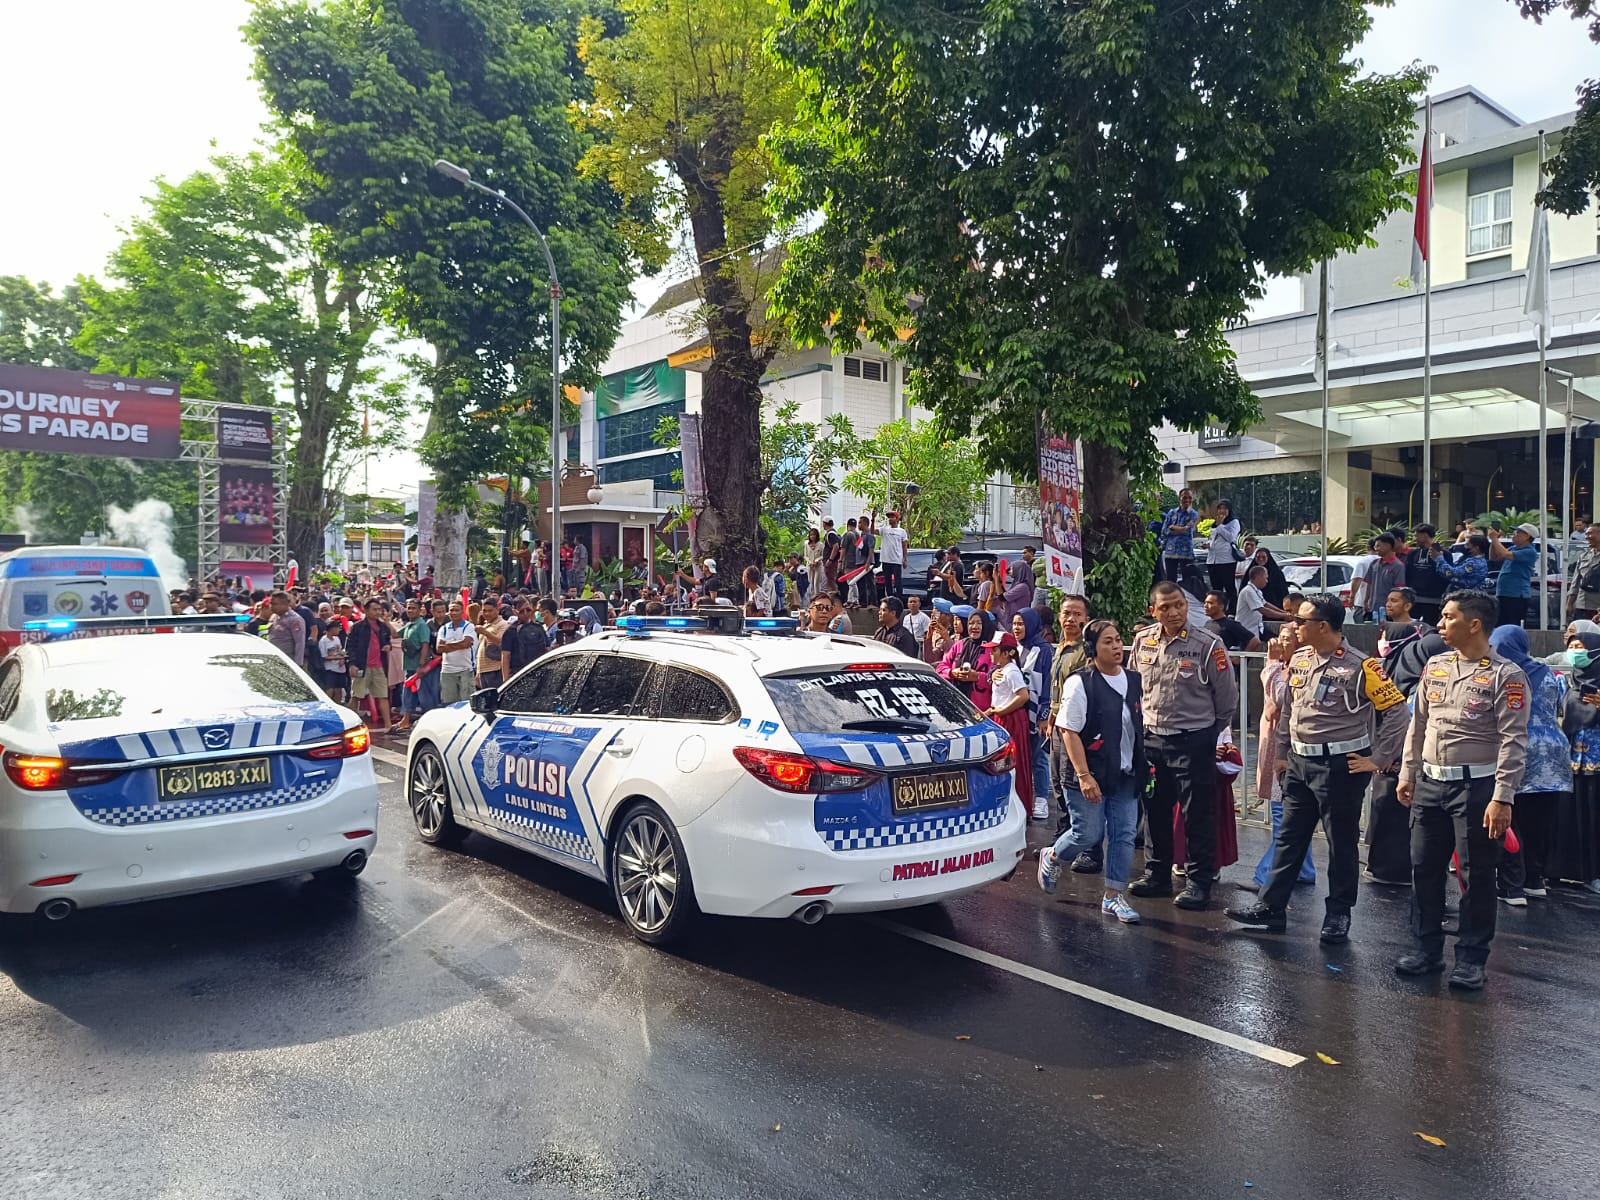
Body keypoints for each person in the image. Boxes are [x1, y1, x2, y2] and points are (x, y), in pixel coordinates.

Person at [1226, 592, 1408, 943]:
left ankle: (1338, 913)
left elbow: (1398, 713)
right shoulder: (1301, 659)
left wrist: (1379, 759)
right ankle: (1271, 907)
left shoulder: (1362, 666)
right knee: (1289, 837)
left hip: (1340, 766)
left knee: (1341, 843)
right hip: (1299, 762)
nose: (1293, 625)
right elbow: (1290, 709)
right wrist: (1281, 753)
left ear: (1322, 626)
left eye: (1300, 621)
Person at [1395, 592, 1529, 990]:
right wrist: (1408, 772)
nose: (1440, 624)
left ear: (1474, 624)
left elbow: (1513, 742)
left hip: (1477, 788)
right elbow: (1418, 725)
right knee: (1424, 868)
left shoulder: (1507, 676)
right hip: (1430, 783)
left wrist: (1502, 796)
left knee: (1475, 875)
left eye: (1448, 617)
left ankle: (1471, 958)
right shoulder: (1436, 666)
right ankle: (1426, 950)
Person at [1129, 581, 1239, 909]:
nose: (1174, 612)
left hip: (1193, 740)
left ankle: (1199, 881)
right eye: (1165, 607)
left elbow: (1227, 699)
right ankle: (1157, 875)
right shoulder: (1143, 641)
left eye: (1179, 605)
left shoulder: (1208, 644)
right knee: (1155, 811)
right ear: (1153, 611)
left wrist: (1208, 734)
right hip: (1152, 739)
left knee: (1197, 814)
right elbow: (1134, 688)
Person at [1037, 618, 1144, 924]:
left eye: (1117, 639)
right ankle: (1053, 855)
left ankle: (1113, 897)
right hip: (1088, 773)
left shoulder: (1133, 680)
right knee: (1088, 833)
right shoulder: (1081, 683)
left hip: (1124, 773)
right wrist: (1084, 775)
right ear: (1092, 648)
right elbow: (1068, 731)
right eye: (1107, 641)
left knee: (1124, 834)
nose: (1116, 646)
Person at [1488, 625, 1569, 905]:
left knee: (1510, 818)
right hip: (1554, 753)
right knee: (1540, 821)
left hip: (1519, 749)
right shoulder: (1549, 673)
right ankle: (1535, 880)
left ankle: (1512, 886)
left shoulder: (1503, 673)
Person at [1245, 622, 1317, 893]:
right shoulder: (1287, 666)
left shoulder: (1298, 669)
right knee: (1290, 817)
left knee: (1284, 818)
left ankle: (1266, 877)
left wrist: (1272, 664)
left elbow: (1281, 698)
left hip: (1285, 751)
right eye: (1280, 637)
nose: (1279, 643)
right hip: (1273, 746)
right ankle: (1304, 870)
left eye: (1287, 639)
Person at [1553, 630, 1600, 894]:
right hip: (1569, 764)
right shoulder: (1565, 683)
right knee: (1567, 819)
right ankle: (1560, 871)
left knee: (1594, 821)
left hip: (1596, 765)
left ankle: (1593, 874)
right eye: (1572, 647)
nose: (1575, 652)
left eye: (1580, 647)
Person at [1047, 596, 1093, 840]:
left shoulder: (1086, 651)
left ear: (1086, 619)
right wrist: (1051, 718)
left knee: (1070, 781)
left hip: (1075, 727)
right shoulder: (1061, 646)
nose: (1071, 619)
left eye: (1077, 614)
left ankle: (1079, 838)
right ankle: (1061, 836)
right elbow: (1057, 688)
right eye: (1066, 613)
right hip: (1057, 723)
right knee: (1056, 781)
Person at [983, 631, 1033, 813]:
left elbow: (1023, 695)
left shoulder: (1011, 671)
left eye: (994, 650)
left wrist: (1002, 711)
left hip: (1011, 719)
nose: (991, 654)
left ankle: (1019, 806)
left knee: (1012, 762)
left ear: (1006, 653)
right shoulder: (1001, 670)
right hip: (1001, 716)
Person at [1013, 608, 1054, 821]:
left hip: (1036, 710)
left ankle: (1041, 798)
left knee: (1038, 756)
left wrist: (1044, 714)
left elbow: (1047, 682)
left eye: (1021, 623)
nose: (1016, 628)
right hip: (1016, 710)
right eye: (1014, 624)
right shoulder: (1013, 647)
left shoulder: (1044, 650)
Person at [345, 600, 394, 733]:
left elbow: (388, 641)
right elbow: (350, 647)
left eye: (379, 609)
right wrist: (352, 664)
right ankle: (348, 725)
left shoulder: (383, 627)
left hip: (379, 666)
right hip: (362, 665)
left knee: (382, 695)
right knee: (356, 695)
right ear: (366, 610)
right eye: (374, 609)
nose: (377, 612)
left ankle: (388, 725)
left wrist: (388, 646)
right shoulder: (358, 627)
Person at [938, 610, 998, 712]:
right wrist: (952, 673)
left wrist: (977, 677)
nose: (974, 626)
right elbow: (940, 667)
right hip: (956, 705)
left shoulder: (994, 649)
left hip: (982, 710)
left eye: (979, 623)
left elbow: (999, 679)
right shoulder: (959, 645)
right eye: (971, 623)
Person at [1489, 522, 1540, 628]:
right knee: (1500, 624)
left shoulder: (1530, 551)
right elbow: (1494, 557)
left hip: (1516, 595)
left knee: (1511, 624)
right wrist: (1494, 541)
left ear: (1527, 536)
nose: (1514, 535)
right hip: (1504, 592)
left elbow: (1505, 554)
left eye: (1517, 533)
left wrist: (1494, 539)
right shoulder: (1514, 548)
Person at [395, 598, 431, 731]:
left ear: (420, 610)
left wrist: (421, 665)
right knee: (408, 693)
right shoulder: (409, 624)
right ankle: (406, 719)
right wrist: (385, 621)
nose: (410, 611)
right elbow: (395, 634)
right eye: (408, 608)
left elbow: (425, 645)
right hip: (409, 665)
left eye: (413, 608)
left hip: (418, 667)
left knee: (422, 695)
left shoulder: (421, 625)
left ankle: (416, 721)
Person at [435, 600, 478, 705]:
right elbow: (439, 648)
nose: (454, 613)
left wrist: (447, 645)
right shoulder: (444, 628)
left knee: (467, 703)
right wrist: (459, 644)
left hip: (465, 669)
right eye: (451, 610)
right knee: (449, 704)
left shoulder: (468, 626)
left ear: (462, 611)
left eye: (457, 610)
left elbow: (466, 643)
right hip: (447, 671)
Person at [1403, 524, 1448, 626]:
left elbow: (1447, 575)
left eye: (1416, 535)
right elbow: (1407, 574)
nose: (1414, 539)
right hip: (1415, 599)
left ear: (1425, 535)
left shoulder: (1443, 554)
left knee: (1430, 628)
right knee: (1411, 627)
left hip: (1434, 600)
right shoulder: (1413, 554)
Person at [1205, 499, 1243, 613]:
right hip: (1212, 559)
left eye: (1225, 508)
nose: (1222, 511)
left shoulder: (1234, 522)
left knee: (1229, 586)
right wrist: (1207, 544)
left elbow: (1230, 537)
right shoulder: (1214, 524)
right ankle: (1217, 609)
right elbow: (1212, 539)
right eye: (1220, 508)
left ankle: (1232, 611)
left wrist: (1220, 525)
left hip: (1226, 560)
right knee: (1216, 588)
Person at [1235, 564, 1289, 641]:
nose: (1267, 581)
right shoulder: (1248, 591)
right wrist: (1284, 615)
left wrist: (1283, 612)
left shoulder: (1257, 591)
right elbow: (1263, 610)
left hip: (1257, 627)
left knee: (1276, 640)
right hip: (1246, 629)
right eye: (1265, 578)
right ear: (1258, 577)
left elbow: (1266, 604)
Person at [1159, 488, 1201, 584]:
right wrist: (1182, 529)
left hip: (1186, 552)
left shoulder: (1193, 514)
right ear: (1180, 498)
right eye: (1185, 497)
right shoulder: (1171, 512)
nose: (1187, 500)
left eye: (1190, 497)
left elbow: (1188, 530)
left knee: (1188, 580)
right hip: (1170, 551)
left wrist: (1173, 527)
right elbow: (1164, 531)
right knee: (1170, 580)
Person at [1437, 532, 1490, 597]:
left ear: (1476, 547)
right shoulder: (1479, 560)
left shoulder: (1473, 563)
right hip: (1470, 595)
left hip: (1465, 597)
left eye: (1467, 545)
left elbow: (1452, 573)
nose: (1464, 547)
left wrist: (1439, 558)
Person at [1568, 523, 1600, 622]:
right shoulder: (1584, 556)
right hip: (1582, 606)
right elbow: (1575, 583)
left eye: (1590, 533)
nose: (1587, 537)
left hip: (1597, 607)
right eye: (1586, 534)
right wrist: (1569, 604)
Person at [265, 590, 306, 666]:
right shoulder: (275, 617)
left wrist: (298, 664)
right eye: (270, 603)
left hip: (287, 661)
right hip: (274, 660)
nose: (271, 606)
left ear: (285, 604)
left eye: (274, 604)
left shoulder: (294, 619)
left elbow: (299, 642)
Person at [476, 598, 509, 690]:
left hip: (495, 670)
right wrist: (478, 671)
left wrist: (485, 633)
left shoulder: (503, 624)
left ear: (497, 610)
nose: (487, 614)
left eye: (490, 611)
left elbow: (502, 642)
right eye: (484, 611)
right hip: (483, 670)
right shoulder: (485, 625)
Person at [802, 529, 824, 603]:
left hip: (818, 565)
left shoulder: (820, 544)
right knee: (810, 582)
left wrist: (817, 560)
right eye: (811, 535)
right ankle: (811, 599)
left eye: (814, 535)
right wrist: (809, 561)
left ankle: (817, 598)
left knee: (816, 582)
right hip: (810, 565)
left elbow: (823, 555)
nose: (812, 536)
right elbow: (805, 555)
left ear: (816, 535)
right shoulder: (806, 544)